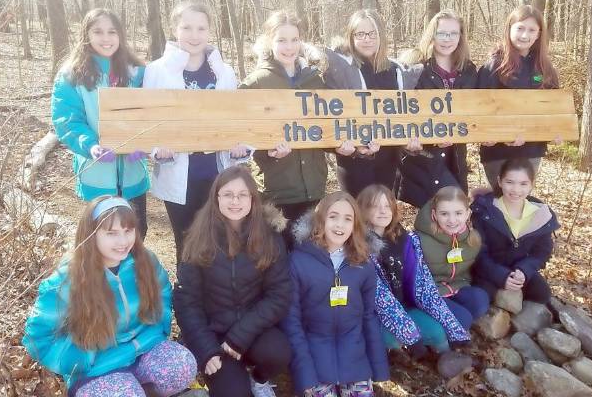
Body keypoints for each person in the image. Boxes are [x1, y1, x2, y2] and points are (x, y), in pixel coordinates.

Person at [23, 196, 195, 396]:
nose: (123, 241)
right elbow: (37, 337)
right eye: (111, 233)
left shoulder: (145, 260)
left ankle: (143, 389)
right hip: (99, 365)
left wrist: (158, 330)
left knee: (184, 366)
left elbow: (163, 294)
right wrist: (77, 360)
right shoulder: (67, 279)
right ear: (91, 234)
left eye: (128, 231)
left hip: (145, 347)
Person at [143, 1, 247, 263]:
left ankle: (217, 298)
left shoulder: (224, 72)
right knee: (187, 239)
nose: (194, 35)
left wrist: (238, 147)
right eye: (186, 27)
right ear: (174, 29)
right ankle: (188, 299)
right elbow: (147, 119)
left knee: (219, 238)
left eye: (201, 28)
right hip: (179, 172)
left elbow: (235, 118)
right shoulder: (157, 70)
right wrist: (159, 149)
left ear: (210, 31)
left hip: (215, 170)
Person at [173, 166, 291, 397]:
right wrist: (207, 350)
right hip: (213, 333)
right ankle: (232, 376)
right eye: (227, 194)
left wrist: (240, 337)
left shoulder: (269, 237)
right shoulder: (198, 238)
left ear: (252, 199)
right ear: (216, 198)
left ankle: (258, 378)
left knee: (278, 354)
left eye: (242, 195)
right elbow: (187, 303)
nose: (235, 201)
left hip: (253, 328)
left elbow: (279, 294)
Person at [240, 10, 351, 246]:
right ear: (270, 41)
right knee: (280, 261)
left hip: (314, 188)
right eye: (281, 40)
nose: (289, 47)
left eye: (294, 39)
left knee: (310, 257)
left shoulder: (315, 80)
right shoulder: (255, 83)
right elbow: (244, 138)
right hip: (277, 191)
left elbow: (324, 128)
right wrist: (269, 153)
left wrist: (339, 146)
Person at [51, 9, 149, 237]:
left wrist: (144, 143)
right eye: (98, 32)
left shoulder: (137, 72)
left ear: (120, 35)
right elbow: (67, 120)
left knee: (137, 233)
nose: (106, 38)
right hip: (96, 174)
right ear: (86, 35)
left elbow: (149, 114)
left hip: (133, 174)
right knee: (101, 237)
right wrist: (91, 145)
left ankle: (134, 274)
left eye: (112, 32)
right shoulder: (71, 75)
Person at [283, 191, 389, 397]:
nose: (340, 225)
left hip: (355, 360)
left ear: (355, 225)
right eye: (333, 217)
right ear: (320, 219)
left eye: (347, 219)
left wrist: (378, 367)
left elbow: (368, 316)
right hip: (315, 362)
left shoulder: (363, 264)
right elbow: (291, 322)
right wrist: (304, 373)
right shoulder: (298, 261)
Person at [356, 185, 470, 355]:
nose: (383, 211)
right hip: (372, 314)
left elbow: (425, 287)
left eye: (387, 206)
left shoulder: (406, 240)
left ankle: (450, 362)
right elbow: (380, 299)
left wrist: (455, 331)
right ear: (362, 210)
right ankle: (396, 360)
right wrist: (410, 336)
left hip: (404, 305)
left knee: (437, 332)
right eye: (375, 206)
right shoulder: (359, 247)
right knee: (394, 339)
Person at [323, 9, 422, 197]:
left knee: (381, 219)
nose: (366, 39)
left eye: (372, 33)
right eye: (360, 34)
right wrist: (348, 149)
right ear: (351, 37)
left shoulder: (395, 71)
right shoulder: (340, 71)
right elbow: (324, 121)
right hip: (354, 166)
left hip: (388, 163)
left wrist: (410, 146)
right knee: (358, 220)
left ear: (381, 36)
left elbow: (403, 120)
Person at [396, 10, 477, 206]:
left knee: (453, 215)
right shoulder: (415, 67)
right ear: (432, 34)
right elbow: (398, 112)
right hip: (421, 160)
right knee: (427, 217)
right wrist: (411, 142)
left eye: (453, 34)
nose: (447, 39)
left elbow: (476, 113)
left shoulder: (468, 70)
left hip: (455, 159)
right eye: (441, 33)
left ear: (461, 36)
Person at [477, 5, 560, 189]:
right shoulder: (494, 65)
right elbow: (479, 109)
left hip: (532, 151)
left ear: (539, 34)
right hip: (498, 154)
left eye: (531, 30)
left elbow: (554, 109)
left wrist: (555, 132)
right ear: (509, 29)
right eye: (520, 28)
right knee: (501, 204)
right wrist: (496, 135)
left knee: (521, 202)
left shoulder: (545, 69)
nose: (525, 35)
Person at [472, 159, 559, 304]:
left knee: (542, 293)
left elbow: (541, 252)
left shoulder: (540, 215)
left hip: (518, 271)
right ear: (500, 181)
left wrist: (524, 271)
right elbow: (477, 252)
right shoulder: (484, 211)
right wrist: (501, 276)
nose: (516, 190)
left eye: (523, 184)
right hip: (489, 271)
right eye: (510, 182)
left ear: (531, 185)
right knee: (481, 298)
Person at [414, 186, 490, 330]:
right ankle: (440, 330)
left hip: (458, 286)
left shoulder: (472, 238)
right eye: (444, 214)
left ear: (468, 213)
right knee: (464, 320)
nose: (452, 220)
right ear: (434, 215)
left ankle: (451, 323)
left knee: (480, 301)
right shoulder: (419, 240)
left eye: (458, 213)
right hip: (432, 293)